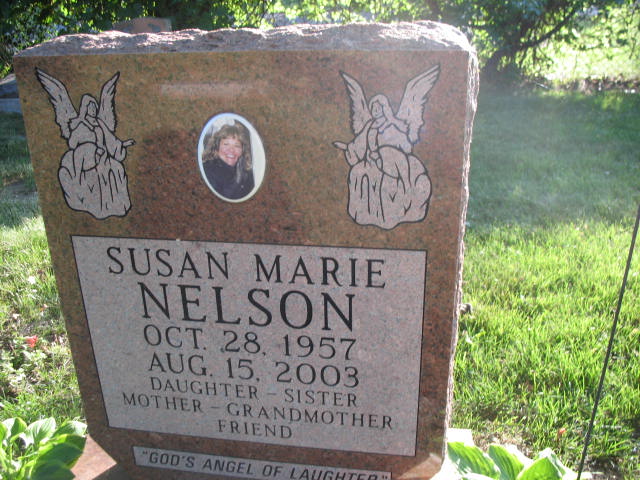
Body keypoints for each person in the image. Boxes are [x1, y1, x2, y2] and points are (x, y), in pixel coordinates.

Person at [202, 121, 254, 200]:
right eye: (226, 144)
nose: (231, 150)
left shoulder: (246, 173)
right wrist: (236, 182)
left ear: (242, 150)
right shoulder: (207, 171)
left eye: (237, 146)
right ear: (217, 146)